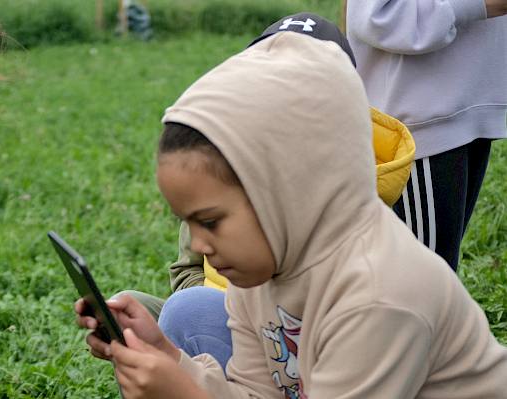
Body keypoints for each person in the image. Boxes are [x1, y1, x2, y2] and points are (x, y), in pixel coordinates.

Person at [77, 31, 507, 398]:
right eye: (186, 223)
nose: (198, 246)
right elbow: (256, 392)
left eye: (209, 221)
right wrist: (169, 358)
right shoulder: (263, 272)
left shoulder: (382, 293)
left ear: (290, 187)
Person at [118, 12, 415, 369]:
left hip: (306, 345)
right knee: (133, 311)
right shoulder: (226, 161)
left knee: (187, 313)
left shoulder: (363, 183)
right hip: (229, 316)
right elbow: (188, 270)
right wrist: (219, 308)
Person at [345, 0, 507, 270]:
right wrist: (480, 4)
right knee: (421, 286)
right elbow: (378, 17)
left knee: (434, 277)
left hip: (469, 105)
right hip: (418, 127)